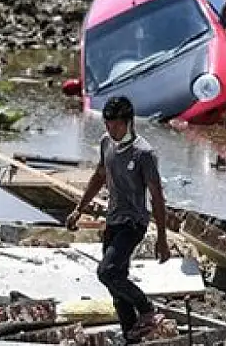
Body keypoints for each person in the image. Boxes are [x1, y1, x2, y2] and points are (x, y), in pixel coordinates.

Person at [66, 96, 170, 343]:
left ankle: (146, 309)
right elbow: (100, 175)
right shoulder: (106, 143)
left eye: (115, 126)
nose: (110, 131)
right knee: (116, 288)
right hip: (113, 221)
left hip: (134, 223)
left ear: (129, 123)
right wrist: (79, 208)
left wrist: (163, 239)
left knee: (107, 272)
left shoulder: (144, 154)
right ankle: (131, 334)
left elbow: (157, 198)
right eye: (107, 125)